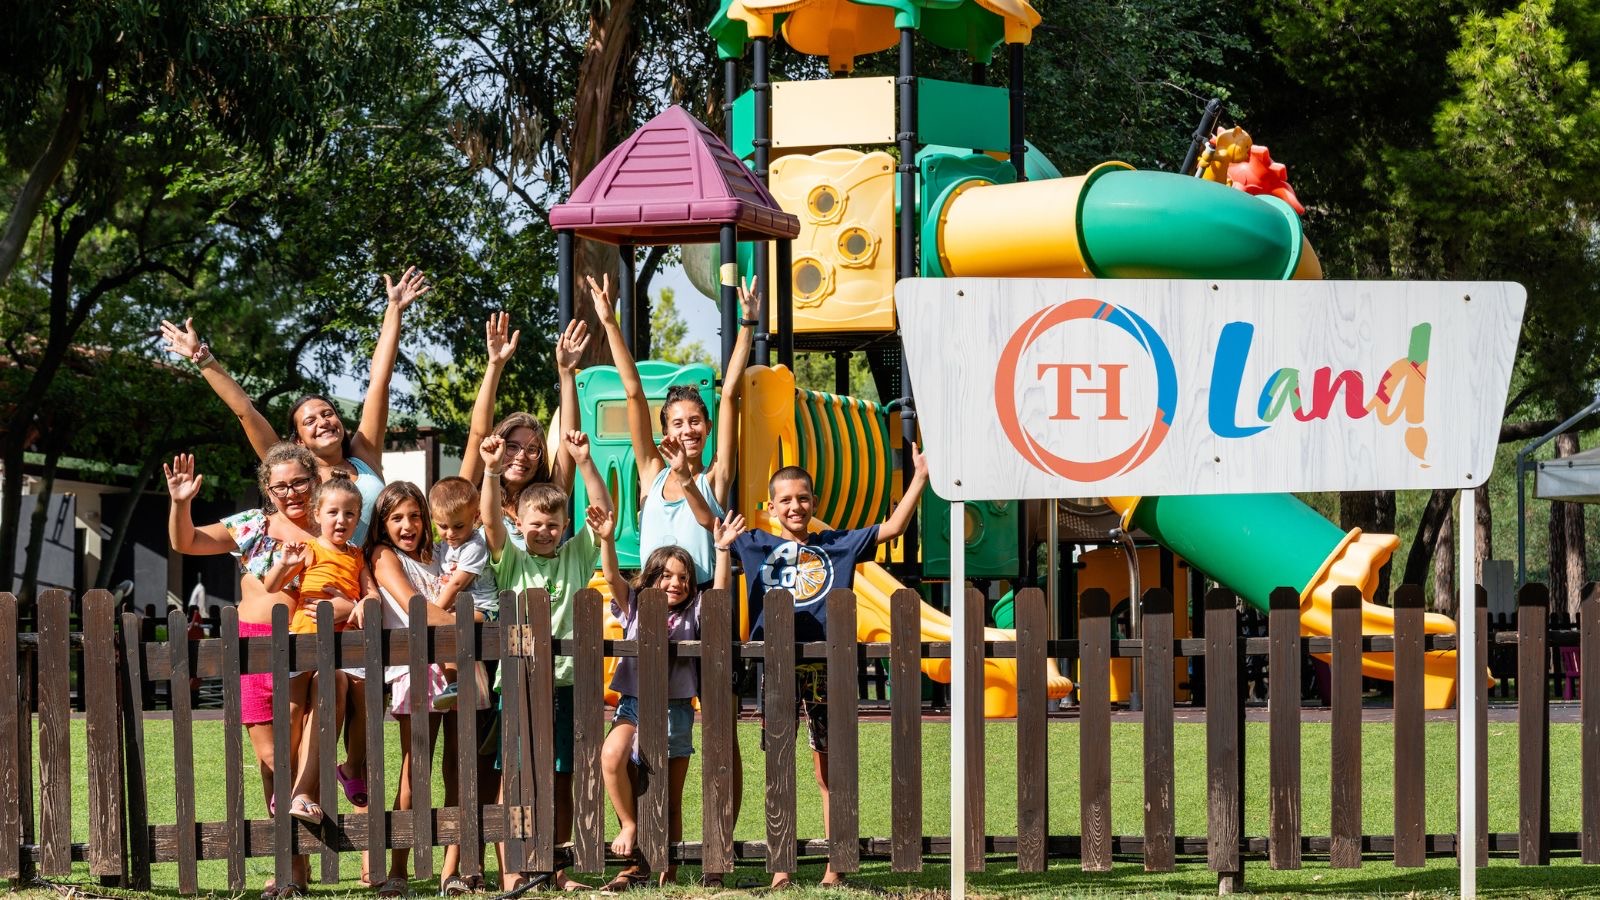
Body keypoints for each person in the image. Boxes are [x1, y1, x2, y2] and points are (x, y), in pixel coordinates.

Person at [589, 272, 757, 887]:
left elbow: (734, 393)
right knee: (645, 747)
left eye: (697, 421)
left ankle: (721, 840)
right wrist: (610, 320)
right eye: (680, 421)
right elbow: (632, 392)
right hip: (654, 606)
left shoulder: (713, 475)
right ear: (665, 431)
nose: (690, 429)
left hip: (707, 607)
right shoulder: (652, 469)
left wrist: (744, 328)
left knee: (718, 731)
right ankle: (645, 852)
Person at [729, 449, 929, 889]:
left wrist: (920, 477)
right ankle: (782, 869)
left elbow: (893, 527)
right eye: (785, 500)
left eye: (802, 498)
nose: (795, 507)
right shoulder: (756, 545)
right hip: (777, 665)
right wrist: (686, 478)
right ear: (771, 507)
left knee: (829, 767)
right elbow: (709, 520)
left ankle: (834, 868)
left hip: (826, 665)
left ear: (814, 502)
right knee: (779, 766)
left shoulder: (836, 544)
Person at [158, 265, 430, 543]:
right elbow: (244, 411)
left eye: (328, 414)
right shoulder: (292, 474)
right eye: (310, 421)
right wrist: (202, 358)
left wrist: (394, 309)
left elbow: (378, 383)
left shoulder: (364, 456)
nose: (323, 421)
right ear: (298, 441)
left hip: (376, 578)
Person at [165, 445, 323, 897]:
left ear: (313, 479)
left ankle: (290, 866)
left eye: (299, 481)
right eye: (281, 485)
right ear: (267, 490)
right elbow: (187, 542)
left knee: (293, 751)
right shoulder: (255, 524)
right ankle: (293, 858)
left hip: (307, 642)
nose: (291, 492)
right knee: (271, 759)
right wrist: (180, 504)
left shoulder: (333, 522)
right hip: (253, 641)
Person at [480, 430, 613, 892]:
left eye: (553, 525)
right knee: (514, 778)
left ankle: (556, 869)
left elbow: (603, 514)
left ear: (564, 526)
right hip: (518, 683)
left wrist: (586, 463)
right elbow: (491, 524)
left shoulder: (577, 556)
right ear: (520, 521)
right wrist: (492, 470)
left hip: (568, 683)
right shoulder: (511, 559)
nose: (544, 531)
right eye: (536, 524)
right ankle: (511, 869)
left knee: (562, 776)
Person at [598, 512, 744, 891]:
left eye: (683, 577)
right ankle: (631, 832)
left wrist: (722, 550)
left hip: (675, 710)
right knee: (612, 756)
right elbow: (612, 577)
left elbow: (720, 596)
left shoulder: (693, 612)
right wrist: (607, 540)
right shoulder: (633, 604)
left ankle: (669, 870)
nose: (675, 583)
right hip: (633, 705)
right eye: (667, 575)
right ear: (651, 579)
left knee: (669, 797)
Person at [364, 481, 484, 897]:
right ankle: (398, 868)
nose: (408, 525)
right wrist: (476, 625)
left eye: (415, 515)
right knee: (416, 768)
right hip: (415, 670)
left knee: (458, 767)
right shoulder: (384, 556)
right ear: (382, 524)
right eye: (396, 518)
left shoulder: (440, 555)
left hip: (456, 667)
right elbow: (421, 609)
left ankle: (452, 870)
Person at [263, 474, 376, 828]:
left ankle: (318, 781)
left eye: (350, 514)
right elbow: (272, 584)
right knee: (294, 716)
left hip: (339, 648)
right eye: (333, 513)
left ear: (358, 519)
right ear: (317, 514)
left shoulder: (357, 557)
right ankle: (289, 785)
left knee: (344, 700)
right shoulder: (309, 551)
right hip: (302, 642)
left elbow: (371, 594)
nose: (341, 520)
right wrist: (283, 563)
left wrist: (359, 605)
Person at [458, 312, 590, 544]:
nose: (521, 456)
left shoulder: (547, 498)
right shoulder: (473, 495)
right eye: (512, 446)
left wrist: (566, 373)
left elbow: (568, 441)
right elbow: (478, 434)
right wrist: (495, 365)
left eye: (531, 450)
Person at [426, 476, 499, 712]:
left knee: (443, 628)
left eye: (458, 526)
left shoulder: (475, 546)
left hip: (484, 609)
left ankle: (464, 685)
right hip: (461, 607)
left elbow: (457, 584)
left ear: (475, 517)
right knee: (442, 635)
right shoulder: (447, 545)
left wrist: (432, 611)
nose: (450, 533)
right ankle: (456, 684)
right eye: (442, 526)